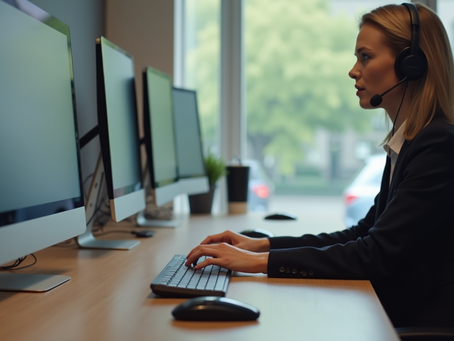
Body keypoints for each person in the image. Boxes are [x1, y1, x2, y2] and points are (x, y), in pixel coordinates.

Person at [185, 2, 454, 328]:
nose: (354, 70)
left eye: (365, 57)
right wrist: (261, 246)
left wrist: (258, 262)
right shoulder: (409, 142)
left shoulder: (437, 145)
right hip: (394, 313)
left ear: (412, 65)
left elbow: (374, 254)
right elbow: (362, 233)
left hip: (419, 323)